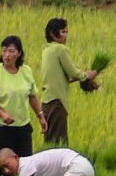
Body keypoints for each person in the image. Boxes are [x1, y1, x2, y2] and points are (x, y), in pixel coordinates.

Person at [0, 35, 42, 164]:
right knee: (5, 164)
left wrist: (40, 116)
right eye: (4, 50)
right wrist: (2, 114)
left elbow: (32, 96)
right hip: (3, 127)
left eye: (11, 51)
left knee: (26, 163)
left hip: (23, 126)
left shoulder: (26, 71)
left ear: (19, 53)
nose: (7, 55)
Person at [38, 18, 98, 147]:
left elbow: (61, 77)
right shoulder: (60, 49)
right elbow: (73, 72)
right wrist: (86, 75)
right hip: (57, 102)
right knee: (60, 142)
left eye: (67, 32)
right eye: (63, 32)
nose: (66, 35)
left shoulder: (46, 51)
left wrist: (81, 76)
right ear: (53, 34)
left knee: (50, 141)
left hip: (46, 102)